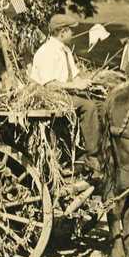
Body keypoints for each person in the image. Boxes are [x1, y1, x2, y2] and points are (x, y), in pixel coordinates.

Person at [29, 13, 102, 174]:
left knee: (98, 102)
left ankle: (89, 147)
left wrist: (86, 82)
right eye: (71, 31)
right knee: (88, 107)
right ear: (62, 32)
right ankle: (92, 155)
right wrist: (75, 86)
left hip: (64, 93)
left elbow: (74, 75)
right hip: (48, 96)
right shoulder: (47, 52)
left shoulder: (65, 50)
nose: (73, 34)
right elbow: (50, 85)